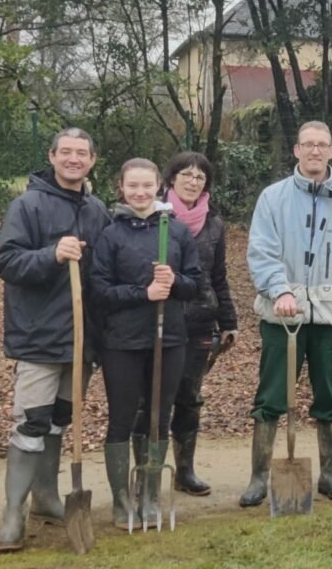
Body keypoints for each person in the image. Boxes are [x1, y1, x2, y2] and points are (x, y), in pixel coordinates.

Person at [240, 121, 332, 507]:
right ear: (296, 151)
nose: (315, 151)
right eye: (308, 145)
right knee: (271, 397)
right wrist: (279, 289)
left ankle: (330, 474)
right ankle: (259, 477)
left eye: (322, 145)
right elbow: (261, 251)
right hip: (283, 318)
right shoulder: (273, 197)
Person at [0, 129, 111, 553]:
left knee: (61, 421)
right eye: (66, 152)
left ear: (93, 160)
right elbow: (6, 261)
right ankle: (12, 514)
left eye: (82, 153)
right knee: (31, 423)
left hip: (82, 342)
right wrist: (52, 254)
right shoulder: (27, 205)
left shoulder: (97, 210)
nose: (74, 159)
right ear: (52, 156)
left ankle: (46, 497)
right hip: (40, 338)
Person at [91, 158, 201, 528]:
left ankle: (150, 494)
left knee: (159, 415)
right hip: (122, 342)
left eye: (147, 185)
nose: (140, 192)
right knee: (122, 417)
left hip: (169, 338)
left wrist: (173, 281)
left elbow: (195, 285)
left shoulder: (178, 232)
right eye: (132, 186)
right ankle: (123, 501)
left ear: (159, 186)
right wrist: (145, 292)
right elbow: (100, 290)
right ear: (120, 188)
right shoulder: (111, 234)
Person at [131, 152, 238, 496]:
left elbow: (218, 276)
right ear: (171, 179)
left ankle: (185, 471)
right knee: (148, 399)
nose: (193, 181)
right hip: (154, 319)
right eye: (186, 175)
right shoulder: (151, 216)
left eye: (200, 177)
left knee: (189, 397)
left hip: (198, 322)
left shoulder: (214, 224)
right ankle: (146, 472)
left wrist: (228, 319)